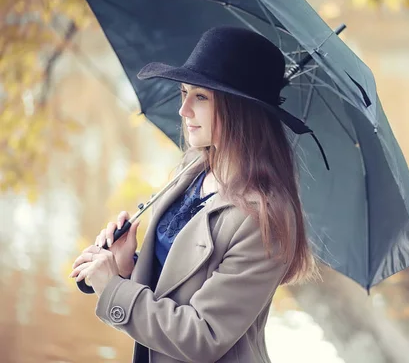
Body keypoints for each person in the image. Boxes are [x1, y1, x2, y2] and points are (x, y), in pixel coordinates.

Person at [69, 26, 318, 363]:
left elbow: (202, 336)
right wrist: (126, 267)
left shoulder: (265, 218)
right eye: (184, 92)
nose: (183, 109)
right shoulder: (194, 169)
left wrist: (114, 288)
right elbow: (178, 283)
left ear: (239, 109)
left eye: (200, 97)